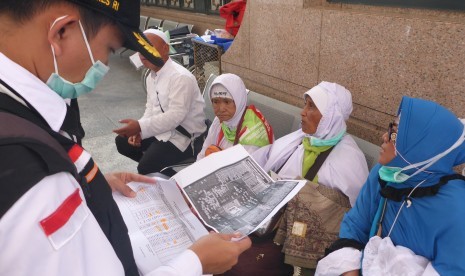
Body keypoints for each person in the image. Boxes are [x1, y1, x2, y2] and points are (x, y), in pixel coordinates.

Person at [0, 1, 250, 275]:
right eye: (108, 49)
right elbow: (151, 108)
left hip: (180, 137)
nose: (104, 64)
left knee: (146, 164)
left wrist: (87, 186)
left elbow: (173, 117)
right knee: (136, 153)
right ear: (61, 31)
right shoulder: (28, 170)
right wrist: (194, 263)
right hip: (161, 134)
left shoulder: (27, 118)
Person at [315, 96, 465, 275]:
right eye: (390, 128)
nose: (384, 136)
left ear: (421, 147)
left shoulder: (455, 211)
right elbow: (356, 225)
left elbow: (452, 269)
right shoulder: (386, 174)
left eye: (395, 133)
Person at [249, 82, 368, 275]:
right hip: (274, 228)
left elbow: (357, 216)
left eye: (311, 106)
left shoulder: (349, 159)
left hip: (310, 249)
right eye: (305, 104)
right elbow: (260, 164)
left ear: (331, 117)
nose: (302, 112)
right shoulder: (297, 141)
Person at [114, 28, 207, 175]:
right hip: (162, 131)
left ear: (165, 49)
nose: (143, 53)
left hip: (184, 137)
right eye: (141, 48)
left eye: (149, 47)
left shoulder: (180, 77)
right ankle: (158, 168)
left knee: (145, 167)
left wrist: (140, 126)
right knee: (123, 142)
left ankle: (175, 181)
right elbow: (151, 107)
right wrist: (139, 130)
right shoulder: (153, 74)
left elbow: (175, 116)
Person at [196, 73, 273, 160]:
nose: (221, 109)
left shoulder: (252, 136)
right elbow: (203, 153)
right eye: (216, 101)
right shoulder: (220, 120)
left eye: (227, 102)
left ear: (238, 100)